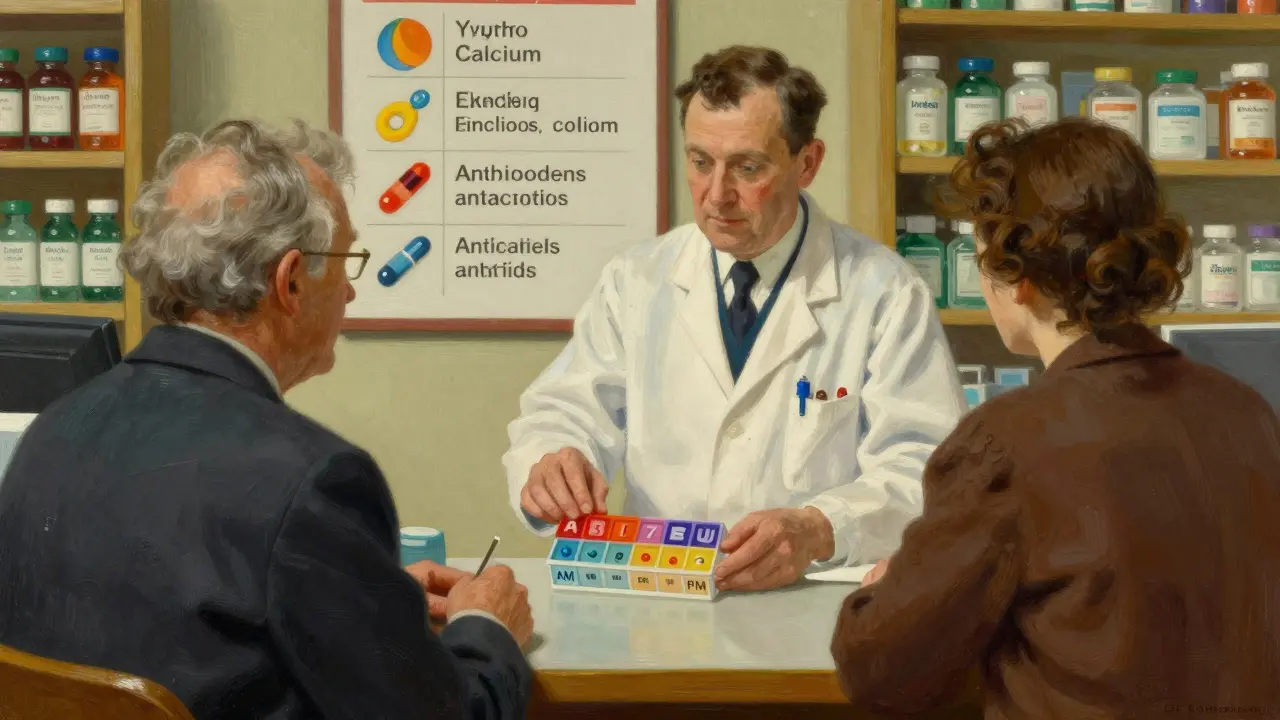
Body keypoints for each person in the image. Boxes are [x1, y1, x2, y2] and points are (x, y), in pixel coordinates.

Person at [0, 119, 535, 720]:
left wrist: (361, 595)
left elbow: (145, 609)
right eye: (344, 261)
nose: (351, 293)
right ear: (289, 283)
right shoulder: (313, 480)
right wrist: (487, 628)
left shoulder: (52, 430)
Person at [830, 116, 1280, 718]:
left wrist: (891, 590)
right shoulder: (1246, 412)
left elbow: (879, 668)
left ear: (1016, 278)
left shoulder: (1006, 443)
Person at [503, 45, 967, 592]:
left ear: (807, 162)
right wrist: (556, 459)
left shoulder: (883, 292)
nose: (717, 195)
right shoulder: (637, 281)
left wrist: (821, 526)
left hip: (816, 601)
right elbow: (567, 410)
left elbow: (926, 468)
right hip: (661, 596)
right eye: (700, 162)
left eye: (747, 167)